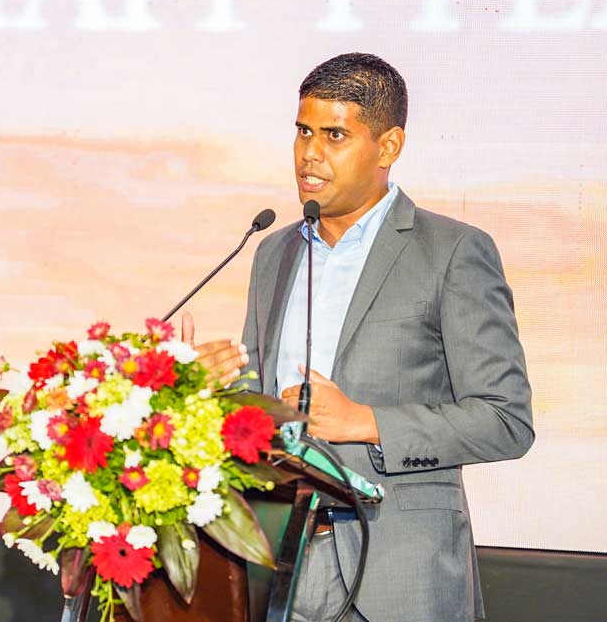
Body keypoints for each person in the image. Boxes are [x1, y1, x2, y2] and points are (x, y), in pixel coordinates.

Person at [187, 53, 534, 622]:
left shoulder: (452, 251)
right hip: (281, 565)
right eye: (303, 131)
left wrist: (366, 422)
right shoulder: (274, 252)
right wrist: (206, 391)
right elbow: (263, 410)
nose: (310, 153)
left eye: (334, 135)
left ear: (388, 146)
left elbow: (506, 420)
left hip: (401, 576)